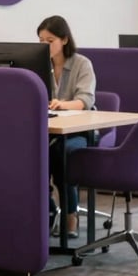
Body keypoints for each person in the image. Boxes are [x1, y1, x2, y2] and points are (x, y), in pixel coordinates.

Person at [37, 15, 95, 238]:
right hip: (50, 131)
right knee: (33, 155)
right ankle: (49, 211)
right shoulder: (39, 64)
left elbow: (85, 100)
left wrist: (62, 104)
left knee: (60, 153)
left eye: (49, 41)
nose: (44, 46)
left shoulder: (82, 64)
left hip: (79, 132)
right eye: (40, 41)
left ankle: (70, 214)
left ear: (64, 40)